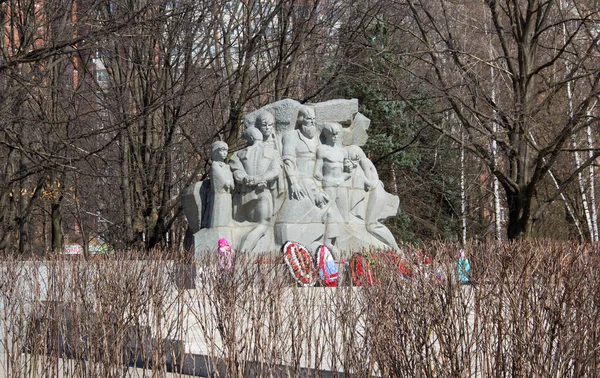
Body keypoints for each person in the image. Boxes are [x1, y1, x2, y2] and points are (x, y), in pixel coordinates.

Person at [229, 123, 282, 252]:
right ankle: (243, 252)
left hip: (244, 194)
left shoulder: (238, 154)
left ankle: (240, 251)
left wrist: (249, 179)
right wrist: (261, 179)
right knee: (262, 225)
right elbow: (275, 171)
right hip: (262, 192)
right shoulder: (271, 152)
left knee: (246, 225)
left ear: (249, 139)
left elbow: (237, 173)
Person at [209, 141, 234, 227]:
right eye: (222, 150)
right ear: (215, 152)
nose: (224, 153)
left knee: (227, 209)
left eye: (226, 151)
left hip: (227, 193)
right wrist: (225, 182)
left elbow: (230, 176)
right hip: (219, 193)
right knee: (218, 209)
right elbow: (218, 176)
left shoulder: (226, 166)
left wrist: (231, 182)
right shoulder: (214, 165)